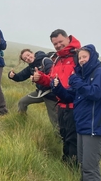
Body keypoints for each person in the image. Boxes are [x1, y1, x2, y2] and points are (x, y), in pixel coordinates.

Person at [52, 44, 101, 181]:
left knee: (90, 167)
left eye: (85, 57)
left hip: (95, 127)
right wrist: (58, 88)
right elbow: (70, 96)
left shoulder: (100, 73)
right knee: (83, 164)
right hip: (82, 126)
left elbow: (95, 93)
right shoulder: (81, 76)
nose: (82, 60)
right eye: (79, 58)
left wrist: (76, 81)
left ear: (92, 57)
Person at [33, 29, 81, 166]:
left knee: (74, 140)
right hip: (61, 105)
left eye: (60, 42)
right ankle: (66, 165)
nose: (58, 45)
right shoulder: (58, 59)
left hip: (75, 107)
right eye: (55, 44)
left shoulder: (79, 56)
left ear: (67, 38)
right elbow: (52, 80)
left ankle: (73, 169)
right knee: (64, 136)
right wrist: (41, 78)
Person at [8, 49, 59, 133]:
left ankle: (60, 139)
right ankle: (21, 122)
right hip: (40, 92)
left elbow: (52, 77)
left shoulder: (45, 60)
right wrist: (12, 76)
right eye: (25, 58)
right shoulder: (30, 67)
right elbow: (20, 77)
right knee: (22, 102)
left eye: (28, 55)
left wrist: (39, 77)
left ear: (33, 53)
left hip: (51, 94)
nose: (28, 58)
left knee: (54, 120)